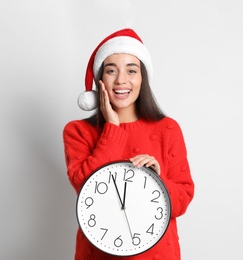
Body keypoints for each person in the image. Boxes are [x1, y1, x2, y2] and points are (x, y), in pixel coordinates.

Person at [63, 28, 194, 260]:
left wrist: (156, 179)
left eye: (131, 70)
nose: (121, 80)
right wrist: (112, 128)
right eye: (111, 71)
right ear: (99, 80)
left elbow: (182, 200)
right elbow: (85, 191)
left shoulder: (167, 129)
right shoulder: (77, 132)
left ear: (142, 78)